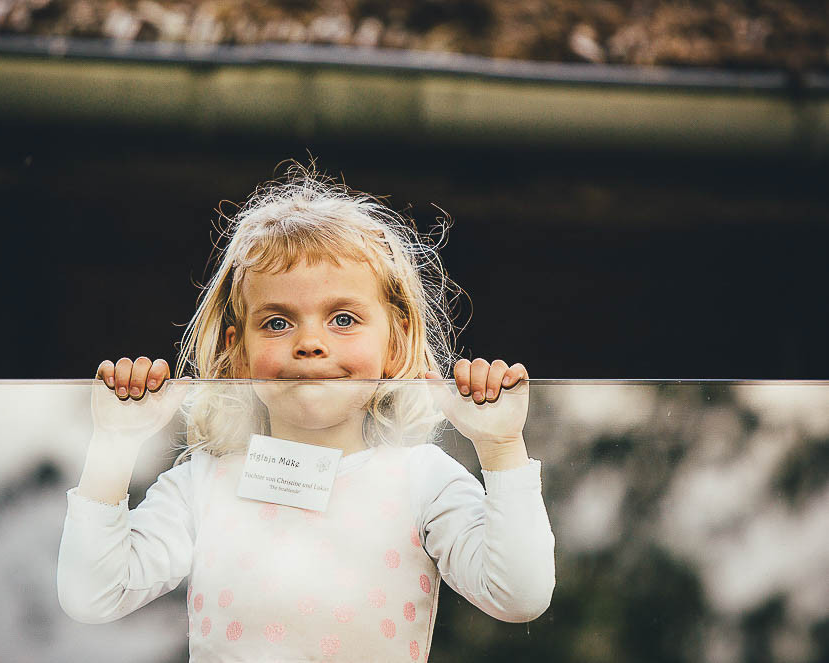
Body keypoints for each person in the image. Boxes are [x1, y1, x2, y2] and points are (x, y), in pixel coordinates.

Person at [57, 162, 555, 661]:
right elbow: (92, 596)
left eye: (343, 319)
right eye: (277, 322)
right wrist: (114, 445)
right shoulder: (203, 483)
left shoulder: (422, 479)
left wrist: (500, 446)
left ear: (396, 341)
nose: (310, 343)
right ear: (238, 352)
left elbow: (519, 596)